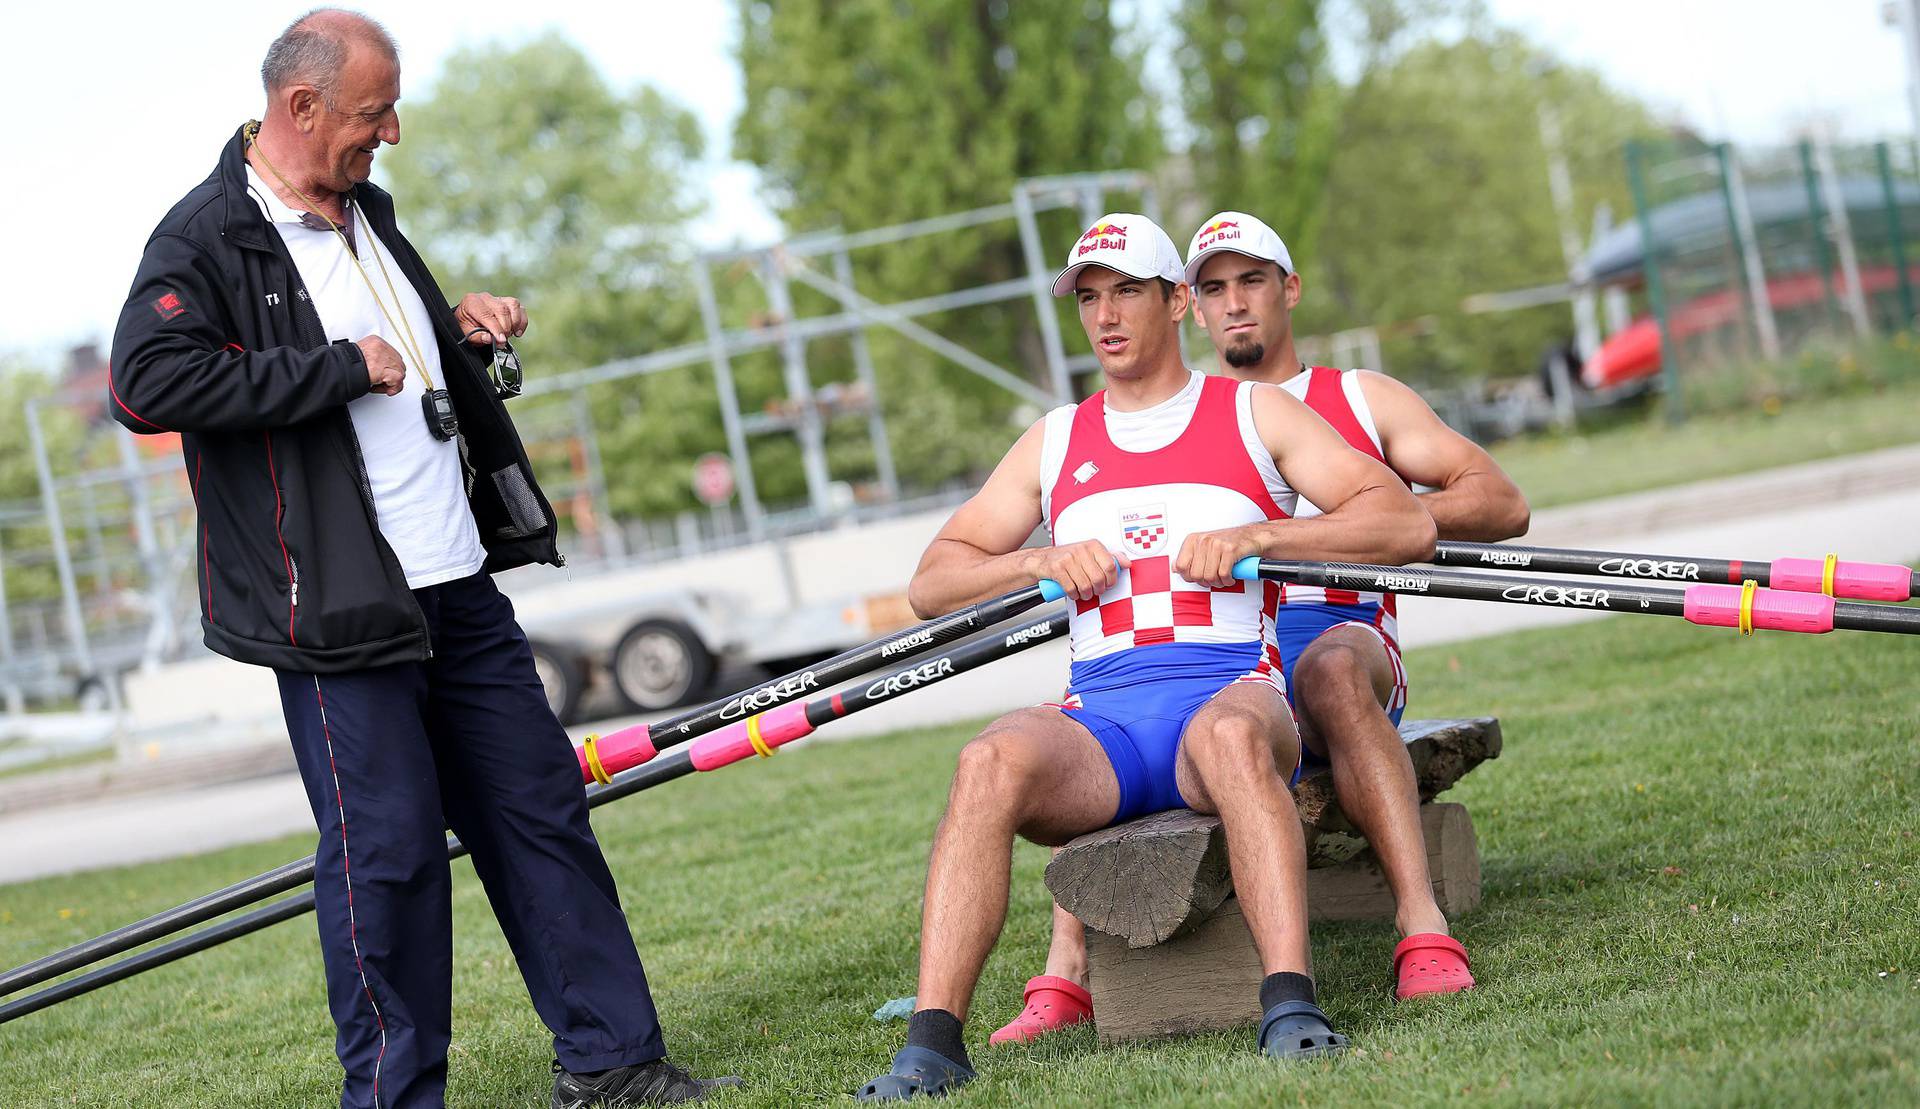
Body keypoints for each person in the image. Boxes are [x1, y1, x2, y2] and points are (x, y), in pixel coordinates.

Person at [107, 11, 732, 1108]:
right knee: (387, 864)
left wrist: (456, 327)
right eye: (371, 112)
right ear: (299, 107)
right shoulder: (203, 236)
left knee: (539, 811)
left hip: (459, 588)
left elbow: (394, 347)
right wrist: (337, 368)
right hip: (341, 614)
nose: (391, 132)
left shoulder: (364, 216)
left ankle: (613, 1062)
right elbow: (144, 382)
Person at [855, 214, 1435, 1100]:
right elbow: (934, 581)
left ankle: (1290, 1005)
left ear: (1175, 302)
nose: (1105, 315)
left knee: (1238, 742)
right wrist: (1036, 560)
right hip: (1106, 727)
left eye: (1126, 291)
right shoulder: (1053, 440)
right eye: (1088, 298)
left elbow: (1403, 520)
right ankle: (931, 1047)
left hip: (1232, 696)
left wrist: (1262, 532)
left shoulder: (1252, 411)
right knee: (986, 760)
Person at [989, 211, 1532, 1047]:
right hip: (1228, 663)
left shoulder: (1356, 398)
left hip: (1341, 635)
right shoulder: (1189, 417)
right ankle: (1065, 970)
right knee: (1089, 705)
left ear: (1290, 290)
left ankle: (1422, 926)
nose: (1233, 303)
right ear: (1188, 308)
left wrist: (1330, 522)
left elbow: (1501, 503)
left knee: (1328, 672)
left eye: (1252, 281)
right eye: (1213, 287)